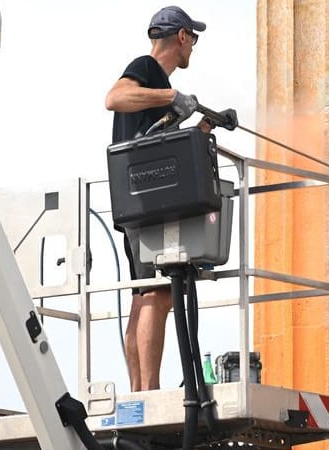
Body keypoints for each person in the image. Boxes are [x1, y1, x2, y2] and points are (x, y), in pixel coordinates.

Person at [105, 6, 214, 392]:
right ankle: (148, 391)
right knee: (159, 293)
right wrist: (171, 94)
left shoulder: (155, 93)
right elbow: (114, 98)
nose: (193, 48)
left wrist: (202, 127)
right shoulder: (148, 70)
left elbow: (158, 139)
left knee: (142, 295)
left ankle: (139, 390)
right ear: (182, 37)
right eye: (193, 39)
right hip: (147, 202)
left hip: (138, 200)